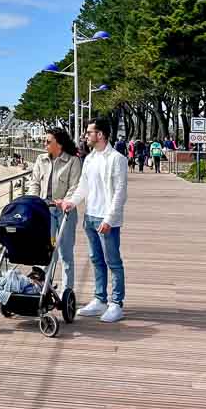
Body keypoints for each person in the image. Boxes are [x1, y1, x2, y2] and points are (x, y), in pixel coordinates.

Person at [57, 118, 128, 323]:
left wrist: (110, 219)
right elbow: (83, 186)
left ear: (101, 135)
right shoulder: (89, 159)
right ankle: (100, 300)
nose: (85, 136)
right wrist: (71, 202)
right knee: (96, 260)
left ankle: (116, 304)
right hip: (90, 216)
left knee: (113, 262)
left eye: (89, 132)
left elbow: (120, 193)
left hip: (106, 219)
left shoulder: (117, 159)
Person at [27, 127, 81, 292]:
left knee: (65, 253)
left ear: (59, 144)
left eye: (48, 141)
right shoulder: (41, 160)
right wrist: (34, 201)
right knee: (46, 251)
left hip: (65, 211)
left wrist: (65, 202)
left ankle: (67, 291)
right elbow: (34, 183)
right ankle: (44, 288)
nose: (45, 143)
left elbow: (75, 186)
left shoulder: (73, 161)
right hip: (45, 211)